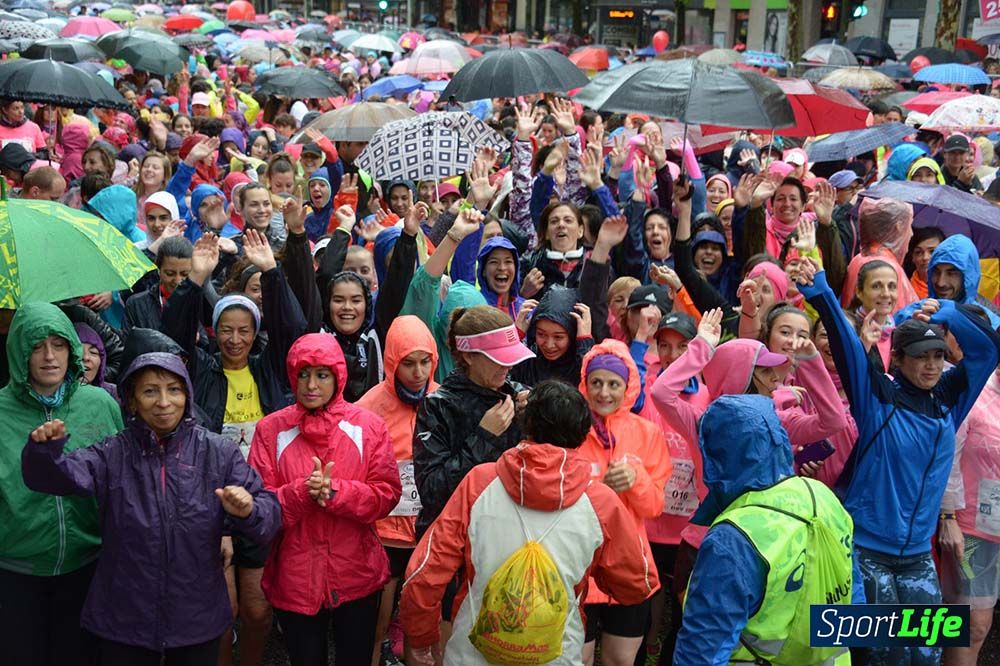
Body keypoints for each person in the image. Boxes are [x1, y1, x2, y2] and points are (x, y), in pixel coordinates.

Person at [794, 258, 1000, 666]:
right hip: (865, 551)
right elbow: (845, 343)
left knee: (925, 657)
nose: (930, 365)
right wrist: (818, 289)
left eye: (938, 356)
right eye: (921, 356)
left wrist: (944, 308)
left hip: (918, 555)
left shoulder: (949, 402)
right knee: (878, 658)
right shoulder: (876, 397)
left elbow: (988, 349)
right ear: (899, 359)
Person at [21, 352, 281, 666]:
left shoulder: (218, 452)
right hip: (125, 619)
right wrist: (43, 452)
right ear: (131, 401)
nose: (163, 401)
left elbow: (268, 516)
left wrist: (248, 510)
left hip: (195, 617)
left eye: (174, 389)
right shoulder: (112, 453)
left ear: (187, 394)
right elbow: (53, 478)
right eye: (149, 391)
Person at [399, 380, 657, 666]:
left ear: (526, 425)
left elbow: (424, 574)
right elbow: (637, 583)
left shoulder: (480, 483)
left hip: (472, 652)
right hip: (557, 652)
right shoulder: (600, 502)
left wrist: (423, 639)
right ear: (583, 435)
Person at [248, 333, 402, 666]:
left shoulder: (368, 426)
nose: (311, 385)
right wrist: (301, 493)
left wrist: (337, 493)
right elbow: (259, 506)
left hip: (356, 572)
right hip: (295, 576)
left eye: (321, 374)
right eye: (303, 374)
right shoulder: (271, 430)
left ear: (338, 376)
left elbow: (386, 493)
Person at [673, 394, 862, 665]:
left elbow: (702, 650)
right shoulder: (824, 498)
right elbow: (852, 599)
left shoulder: (734, 537)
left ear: (716, 454)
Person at [0, 303, 124, 666]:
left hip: (87, 567)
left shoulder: (99, 404)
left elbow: (119, 479)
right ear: (18, 350)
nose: (49, 356)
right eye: (36, 346)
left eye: (59, 344)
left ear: (73, 347)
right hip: (15, 571)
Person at [577, 340, 671, 666]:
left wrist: (636, 481)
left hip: (630, 563)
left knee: (620, 661)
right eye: (596, 383)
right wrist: (598, 489)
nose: (604, 393)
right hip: (580, 564)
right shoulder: (570, 429)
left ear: (628, 386)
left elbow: (655, 506)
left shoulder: (647, 433)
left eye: (613, 384)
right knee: (579, 659)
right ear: (584, 384)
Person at [356, 315, 440, 666]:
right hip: (384, 531)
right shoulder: (369, 408)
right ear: (392, 361)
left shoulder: (442, 400)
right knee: (377, 619)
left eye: (425, 362)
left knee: (426, 621)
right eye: (408, 363)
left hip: (428, 529)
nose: (418, 372)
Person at [940, 364, 1000, 666]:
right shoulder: (976, 395)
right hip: (972, 531)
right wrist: (948, 517)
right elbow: (947, 458)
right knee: (969, 627)